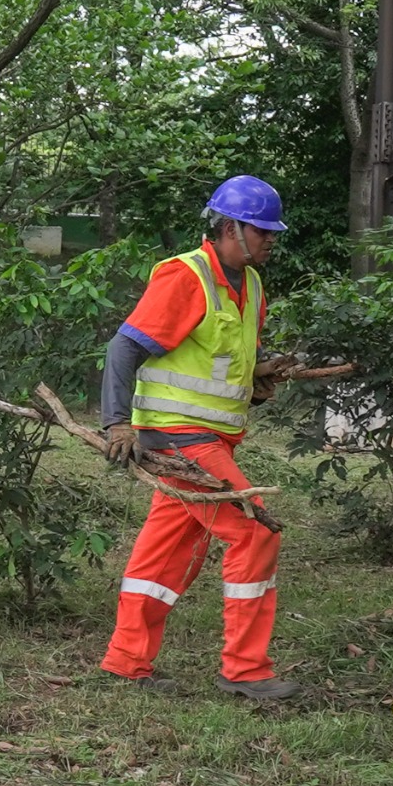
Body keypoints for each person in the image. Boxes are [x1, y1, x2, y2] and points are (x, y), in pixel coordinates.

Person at [98, 176, 301, 701]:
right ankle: (245, 670)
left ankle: (126, 660)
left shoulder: (251, 284)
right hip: (180, 439)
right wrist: (117, 423)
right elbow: (122, 351)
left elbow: (215, 366)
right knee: (256, 531)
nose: (270, 240)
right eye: (262, 231)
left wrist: (257, 381)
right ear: (231, 228)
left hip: (212, 438)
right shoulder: (186, 276)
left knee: (169, 550)